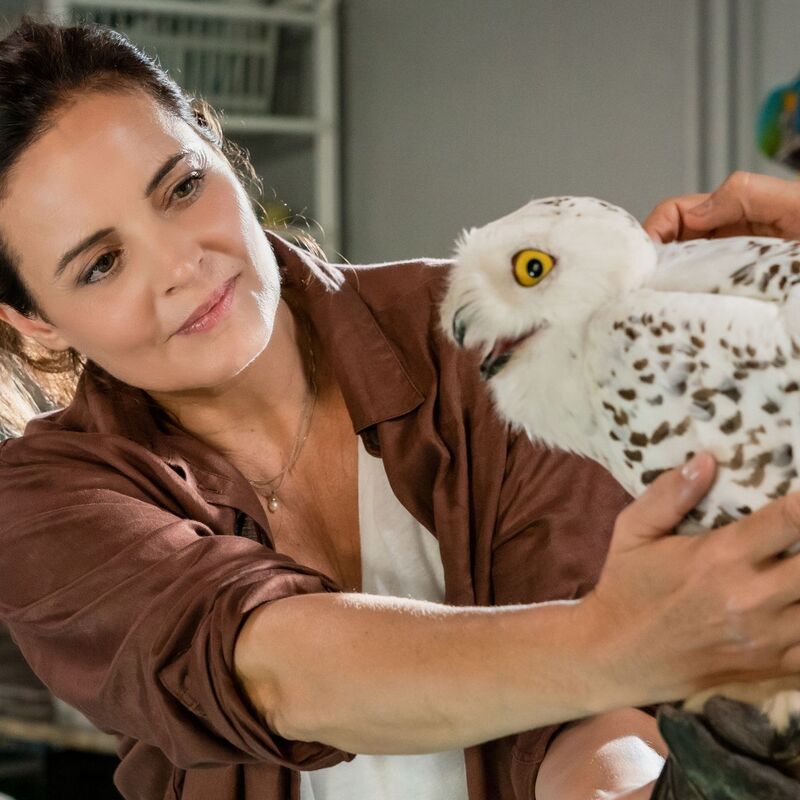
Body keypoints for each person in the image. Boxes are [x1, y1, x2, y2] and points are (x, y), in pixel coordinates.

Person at [1, 16, 800, 800]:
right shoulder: (42, 504)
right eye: (102, 263)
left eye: (181, 187)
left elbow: (589, 721)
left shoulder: (481, 331)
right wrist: (632, 643)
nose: (181, 264)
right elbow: (276, 672)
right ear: (31, 318)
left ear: (215, 145)